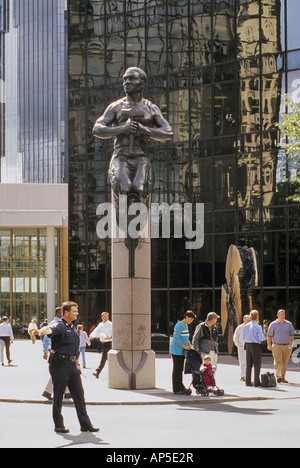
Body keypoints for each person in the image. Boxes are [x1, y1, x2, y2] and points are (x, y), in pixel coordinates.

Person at [93, 67, 173, 205]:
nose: (127, 82)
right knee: (124, 188)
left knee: (140, 189)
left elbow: (168, 132)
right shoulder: (116, 107)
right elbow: (97, 128)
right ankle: (121, 213)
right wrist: (121, 129)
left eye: (132, 78)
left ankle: (138, 219)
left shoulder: (150, 108)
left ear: (142, 83)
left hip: (140, 156)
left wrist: (144, 130)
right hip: (121, 155)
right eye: (125, 79)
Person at [34, 301, 99, 434]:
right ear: (66, 313)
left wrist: (77, 364)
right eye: (75, 311)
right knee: (58, 396)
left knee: (79, 396)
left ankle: (85, 424)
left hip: (72, 366)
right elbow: (48, 330)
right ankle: (59, 425)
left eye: (77, 311)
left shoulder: (72, 326)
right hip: (60, 365)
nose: (77, 313)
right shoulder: (59, 325)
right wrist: (39, 331)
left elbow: (74, 348)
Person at [41, 307, 71, 401]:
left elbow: (46, 339)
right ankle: (48, 391)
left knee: (65, 371)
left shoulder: (59, 323)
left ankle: (66, 392)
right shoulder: (58, 324)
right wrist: (45, 351)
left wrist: (45, 351)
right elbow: (46, 339)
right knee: (60, 372)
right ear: (59, 313)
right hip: (58, 351)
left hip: (57, 351)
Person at [170, 311, 196, 395]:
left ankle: (180, 386)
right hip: (177, 351)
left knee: (180, 369)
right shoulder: (179, 325)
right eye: (190, 319)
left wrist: (189, 345)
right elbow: (176, 338)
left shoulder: (186, 326)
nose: (191, 321)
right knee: (177, 370)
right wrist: (185, 347)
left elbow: (186, 338)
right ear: (186, 317)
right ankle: (176, 389)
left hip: (182, 351)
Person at [267, 310, 295, 384]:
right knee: (278, 361)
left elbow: (292, 335)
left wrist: (291, 345)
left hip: (287, 345)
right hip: (276, 345)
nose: (282, 316)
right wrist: (269, 345)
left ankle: (282, 377)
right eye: (281, 314)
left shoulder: (289, 324)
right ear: (278, 315)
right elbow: (269, 336)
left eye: (283, 314)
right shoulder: (273, 324)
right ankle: (278, 376)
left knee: (285, 362)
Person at [243, 310, 265, 387]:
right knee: (257, 364)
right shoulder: (258, 326)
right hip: (256, 345)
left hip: (248, 345)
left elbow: (244, 337)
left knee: (248, 364)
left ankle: (248, 382)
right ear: (257, 317)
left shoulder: (246, 326)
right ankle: (256, 382)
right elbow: (262, 338)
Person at [90, 312, 112, 379]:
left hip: (109, 343)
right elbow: (96, 331)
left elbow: (114, 332)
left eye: (106, 316)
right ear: (101, 317)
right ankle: (115, 372)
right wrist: (92, 336)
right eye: (104, 316)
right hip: (103, 343)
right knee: (108, 359)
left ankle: (98, 371)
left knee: (104, 358)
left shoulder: (110, 324)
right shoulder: (100, 324)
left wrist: (110, 337)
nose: (105, 317)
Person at [233, 315, 251, 382]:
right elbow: (235, 337)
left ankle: (246, 375)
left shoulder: (251, 327)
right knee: (242, 362)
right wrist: (238, 345)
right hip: (242, 347)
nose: (248, 321)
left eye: (249, 320)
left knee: (248, 362)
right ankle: (243, 375)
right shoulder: (240, 327)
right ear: (244, 319)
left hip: (250, 347)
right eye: (247, 319)